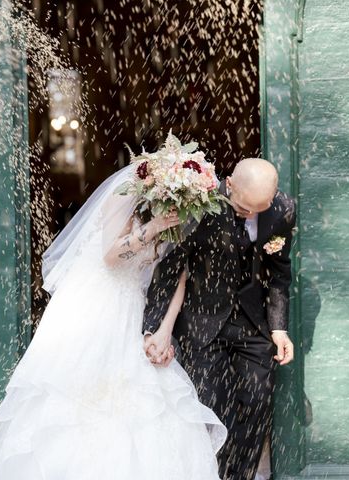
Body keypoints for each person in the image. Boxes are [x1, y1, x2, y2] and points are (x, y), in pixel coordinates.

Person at [0, 164, 226, 480]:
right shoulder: (125, 194)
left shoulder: (174, 218)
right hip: (94, 301)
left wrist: (163, 329)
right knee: (77, 392)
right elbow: (110, 255)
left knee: (134, 391)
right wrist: (156, 225)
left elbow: (179, 273)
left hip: (130, 305)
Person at [143, 158, 296, 480]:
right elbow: (171, 268)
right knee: (210, 407)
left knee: (255, 404)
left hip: (255, 325)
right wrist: (155, 328)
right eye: (243, 207)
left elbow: (280, 272)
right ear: (230, 184)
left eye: (260, 208)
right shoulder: (199, 206)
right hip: (202, 323)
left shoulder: (283, 209)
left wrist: (279, 328)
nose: (251, 214)